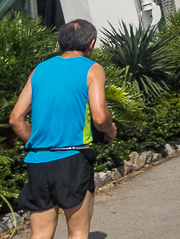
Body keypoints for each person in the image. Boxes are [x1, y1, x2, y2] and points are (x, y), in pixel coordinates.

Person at [10, 19, 118, 239]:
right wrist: (111, 129)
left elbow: (15, 119)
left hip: (38, 160)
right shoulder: (92, 68)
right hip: (73, 158)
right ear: (92, 43)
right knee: (78, 230)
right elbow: (100, 116)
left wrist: (39, 143)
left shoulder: (40, 69)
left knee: (40, 232)